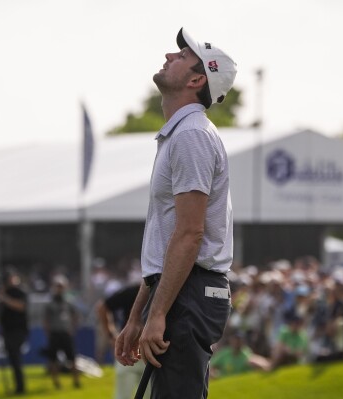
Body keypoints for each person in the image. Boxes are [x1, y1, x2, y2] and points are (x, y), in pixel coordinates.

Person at [115, 27, 237, 398]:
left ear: (197, 79)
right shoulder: (181, 134)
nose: (171, 56)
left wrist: (156, 314)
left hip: (192, 290)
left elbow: (189, 234)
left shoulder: (191, 136)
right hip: (183, 289)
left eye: (183, 55)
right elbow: (166, 244)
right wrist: (139, 314)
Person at [97, 284, 148, 399]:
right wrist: (112, 335)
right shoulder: (133, 290)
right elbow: (102, 307)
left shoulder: (167, 288)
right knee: (123, 395)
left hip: (152, 350)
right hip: (129, 349)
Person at [43, 274, 81, 390]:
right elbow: (46, 319)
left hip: (65, 333)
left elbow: (75, 316)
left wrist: (72, 328)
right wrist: (48, 332)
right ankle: (56, 382)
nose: (59, 288)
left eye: (61, 286)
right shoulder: (50, 303)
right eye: (57, 286)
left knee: (72, 358)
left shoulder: (69, 302)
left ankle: (76, 381)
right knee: (53, 359)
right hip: (55, 333)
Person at [0, 268, 28, 395]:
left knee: (15, 357)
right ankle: (18, 386)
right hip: (7, 329)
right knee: (12, 358)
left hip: (18, 329)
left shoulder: (20, 292)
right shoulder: (3, 293)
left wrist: (5, 298)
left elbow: (21, 306)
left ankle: (20, 387)